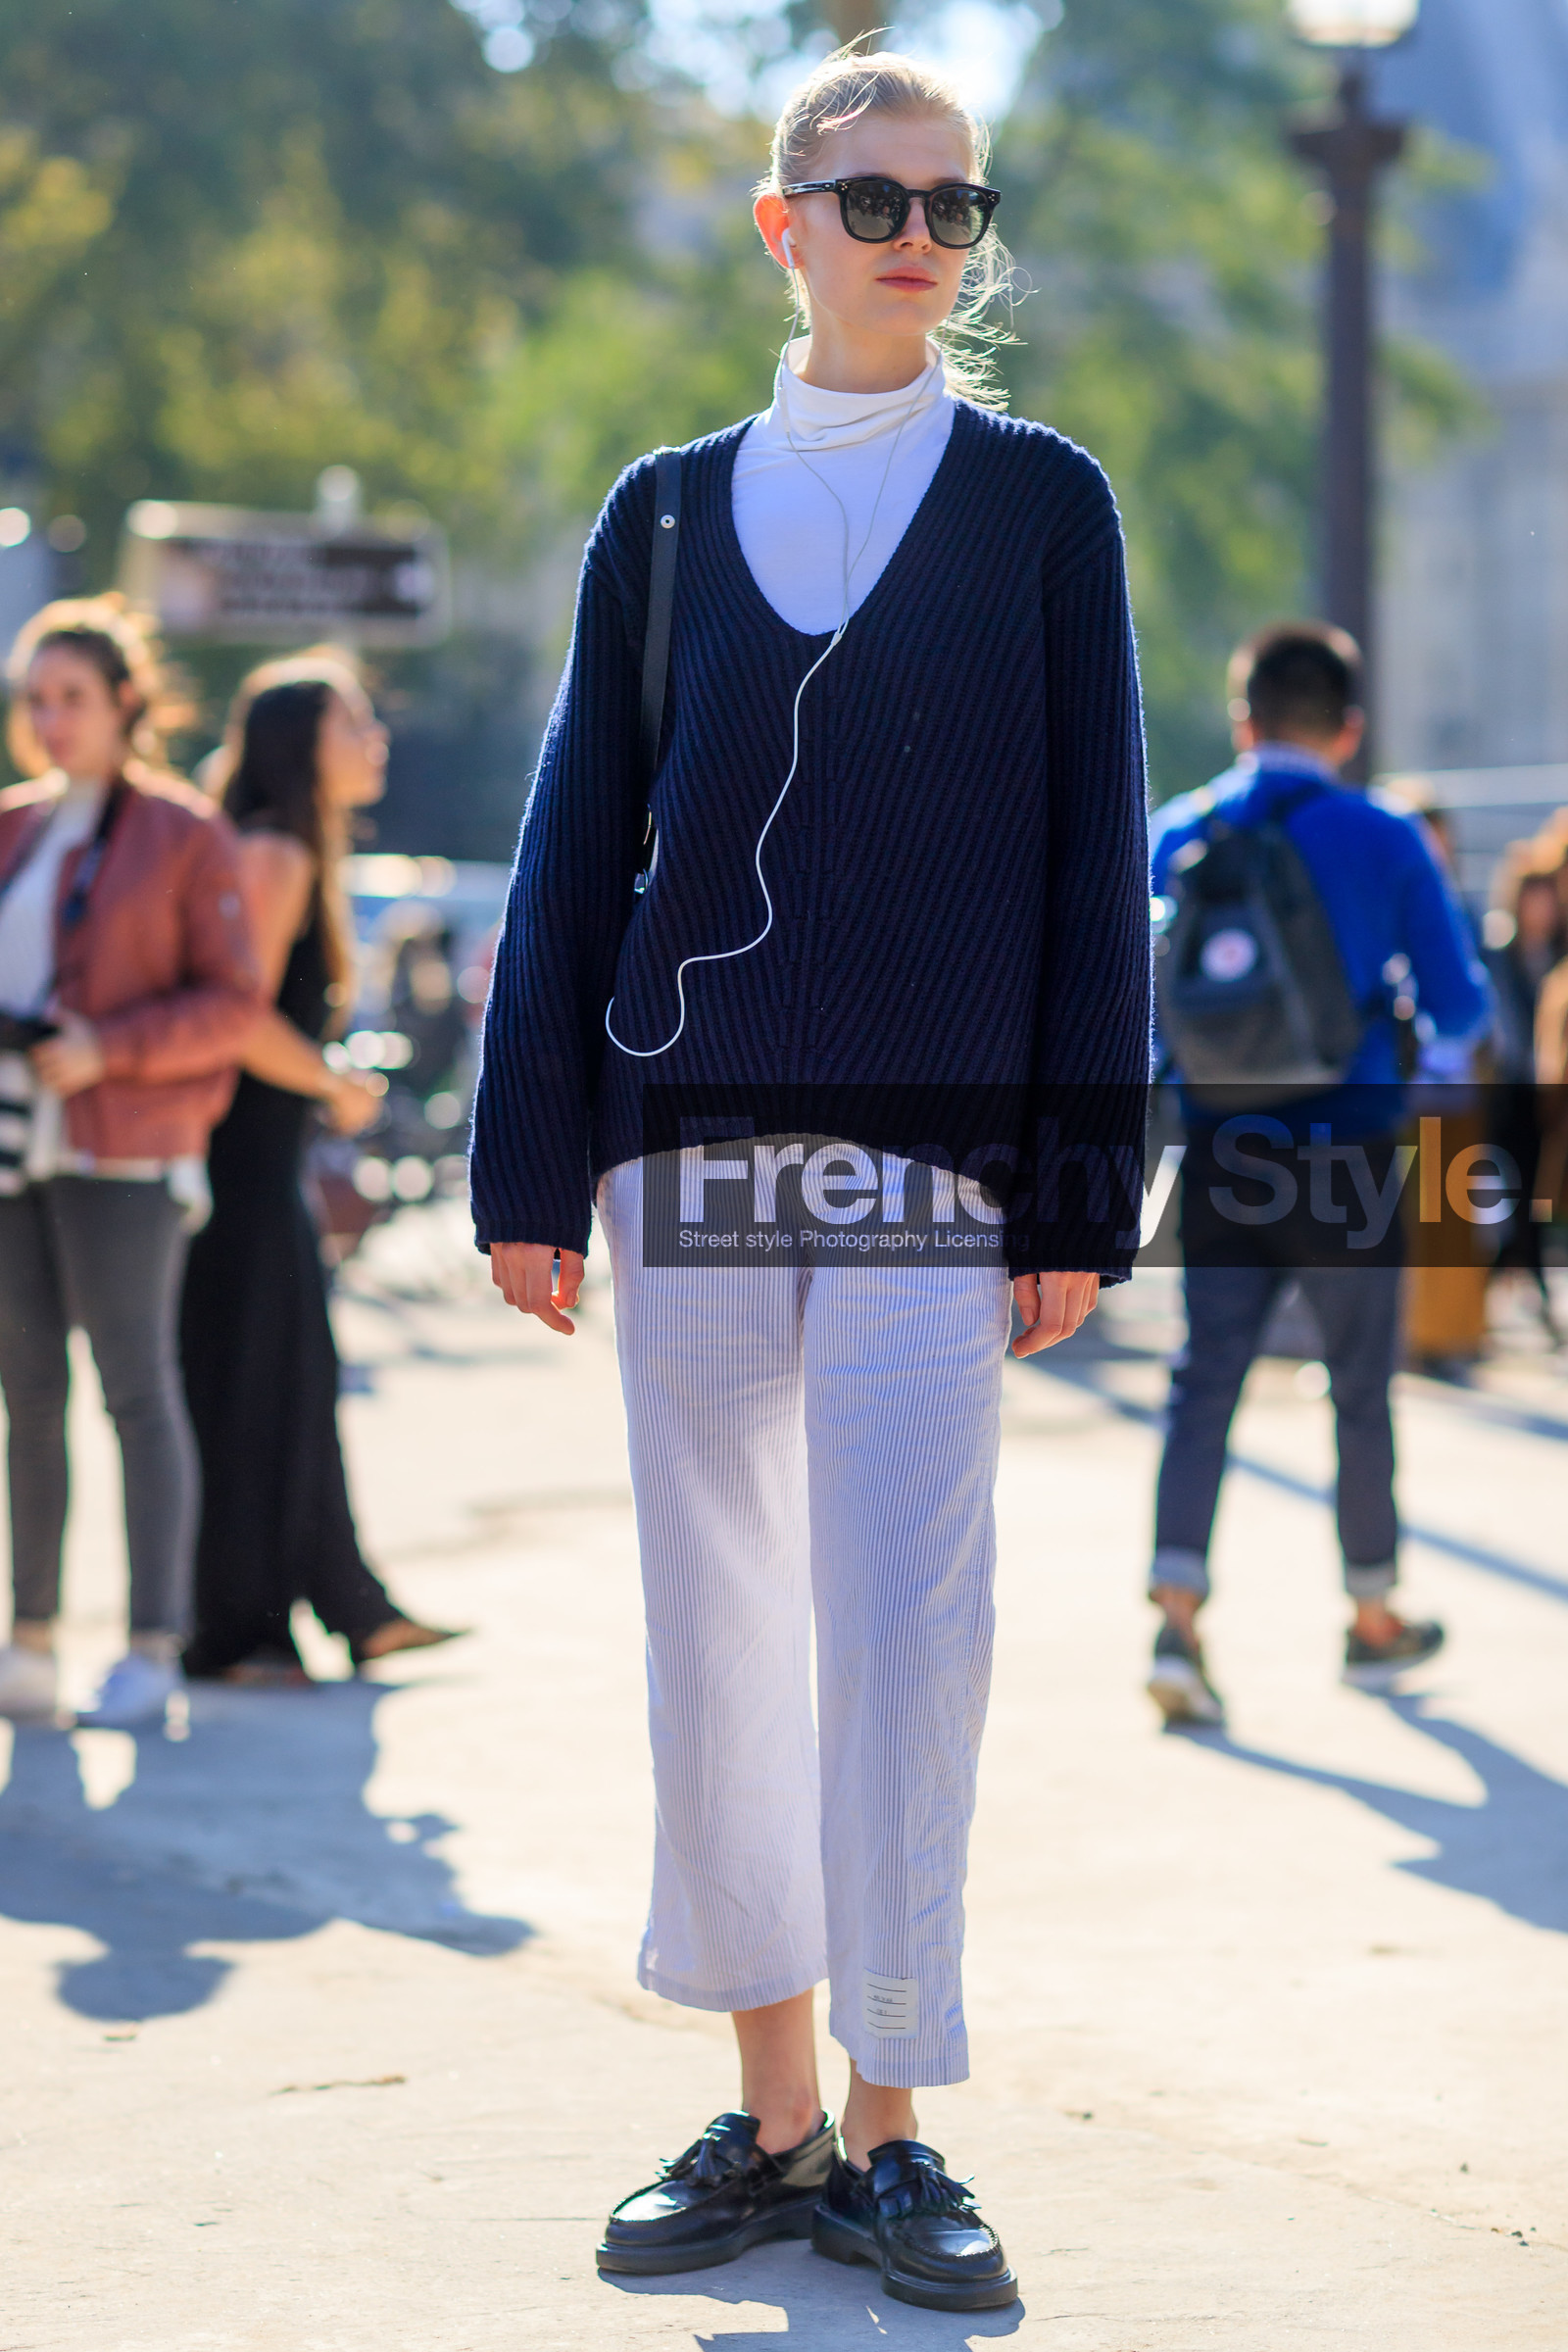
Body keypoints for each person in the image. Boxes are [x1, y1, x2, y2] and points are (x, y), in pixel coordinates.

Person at [470, 49, 1150, 2316]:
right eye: (874, 203)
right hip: (685, 1156)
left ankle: (892, 2120)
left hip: (929, 1172)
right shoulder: (661, 512)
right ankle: (764, 2115)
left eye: (956, 208)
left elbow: (1090, 868)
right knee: (720, 1634)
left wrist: (1076, 1180)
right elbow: (580, 840)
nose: (921, 243)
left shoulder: (1045, 504)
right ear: (781, 224)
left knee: (908, 1632)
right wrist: (525, 1150)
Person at [1146, 623, 1490, 1729]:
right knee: (1357, 1390)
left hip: (1216, 1149)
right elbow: (1460, 1008)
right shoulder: (1383, 838)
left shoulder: (1176, 834)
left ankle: (1177, 1616)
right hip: (1344, 1153)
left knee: (1206, 1381)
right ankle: (1372, 1614)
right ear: (1347, 728)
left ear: (1242, 719)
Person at [0, 596, 262, 1728]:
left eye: (71, 697)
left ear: (125, 704)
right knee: (27, 1398)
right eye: (34, 699)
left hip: (129, 1153)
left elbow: (234, 1002)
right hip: (14, 1151)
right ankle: (32, 1640)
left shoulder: (184, 832)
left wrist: (108, 1048)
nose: (50, 720)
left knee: (138, 1394)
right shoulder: (11, 825)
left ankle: (151, 1644)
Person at [179, 658, 461, 1683]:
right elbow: (233, 1014)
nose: (377, 737)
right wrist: (336, 1086)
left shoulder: (293, 848)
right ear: (304, 745)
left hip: (262, 1164)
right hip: (237, 1166)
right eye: (357, 722)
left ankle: (348, 1607)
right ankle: (242, 1632)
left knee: (295, 1381)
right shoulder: (273, 853)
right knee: (253, 1387)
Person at [1483, 849, 1566, 1341]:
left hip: (1546, 1095)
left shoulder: (1557, 955)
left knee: (1535, 1196)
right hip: (1505, 1090)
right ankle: (1501, 1284)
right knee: (1503, 1194)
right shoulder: (1498, 952)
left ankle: (1526, 1282)